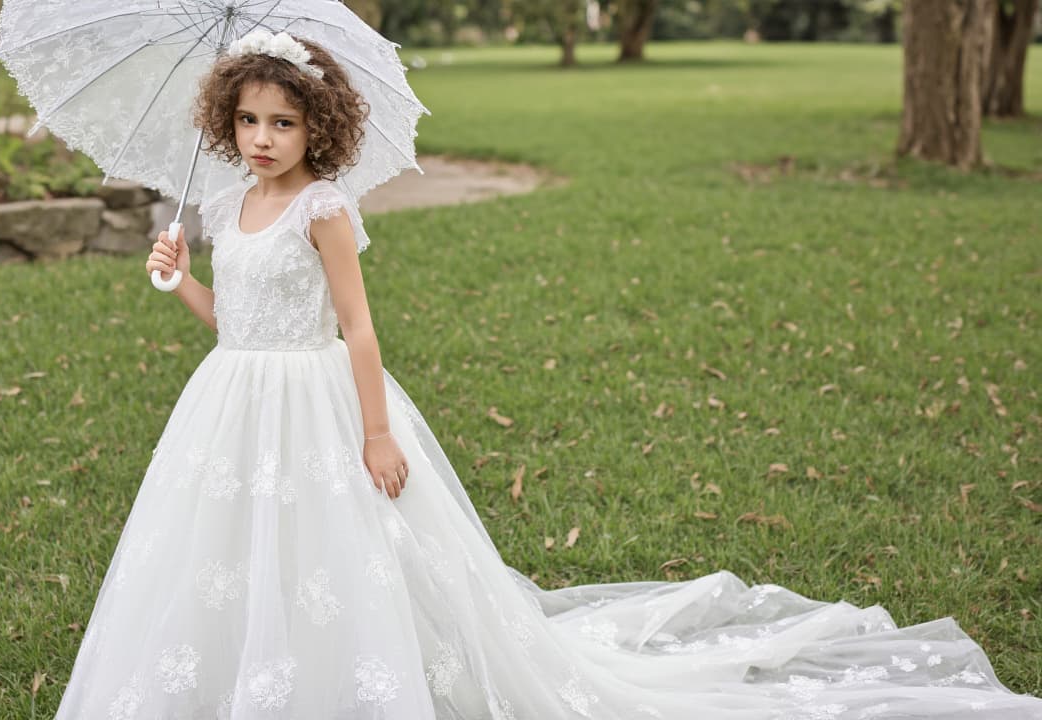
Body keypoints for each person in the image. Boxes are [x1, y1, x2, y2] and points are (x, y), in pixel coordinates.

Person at [53, 31, 1042, 720]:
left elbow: (354, 328)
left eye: (282, 122)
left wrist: (375, 431)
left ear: (316, 129)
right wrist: (179, 283)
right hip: (231, 406)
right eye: (248, 120)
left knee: (338, 553)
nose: (262, 138)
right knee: (234, 552)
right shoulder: (228, 209)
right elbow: (237, 324)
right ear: (225, 122)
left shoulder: (321, 211)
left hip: (318, 404)